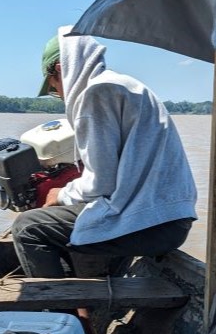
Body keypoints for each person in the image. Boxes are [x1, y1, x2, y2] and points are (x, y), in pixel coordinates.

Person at [12, 27, 197, 292]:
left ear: (61, 69)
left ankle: (63, 320)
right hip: (170, 219)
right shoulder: (124, 85)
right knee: (92, 216)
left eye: (54, 88)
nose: (60, 95)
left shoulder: (96, 94)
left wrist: (60, 194)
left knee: (28, 227)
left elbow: (101, 184)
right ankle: (92, 303)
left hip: (151, 224)